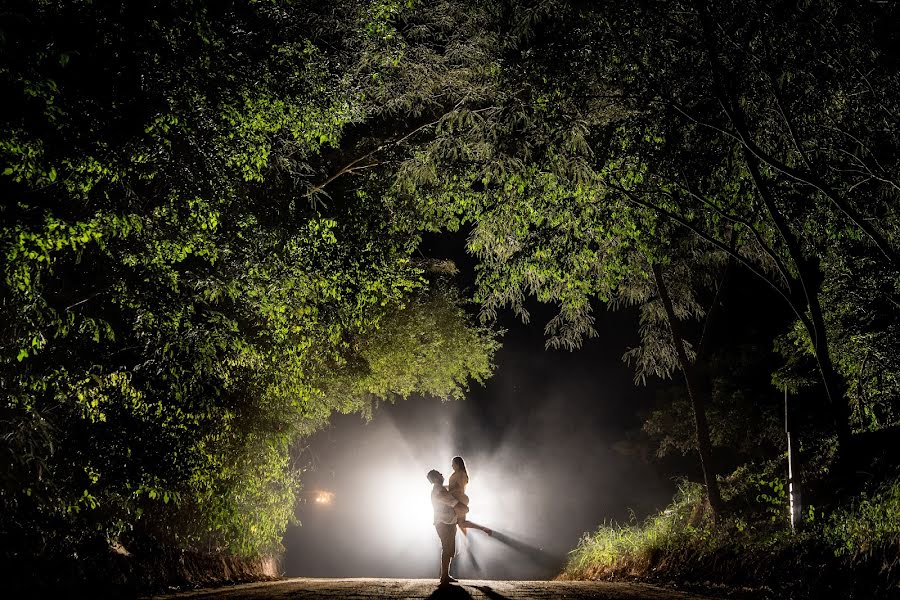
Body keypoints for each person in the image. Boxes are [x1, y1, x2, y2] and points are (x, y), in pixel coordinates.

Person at [427, 469, 459, 585]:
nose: (442, 475)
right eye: (439, 474)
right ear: (435, 478)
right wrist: (460, 506)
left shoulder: (438, 488)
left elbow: (447, 490)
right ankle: (444, 576)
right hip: (444, 522)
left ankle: (445, 575)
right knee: (447, 548)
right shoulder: (438, 490)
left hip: (446, 522)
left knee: (448, 548)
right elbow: (450, 500)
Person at [448, 456, 492, 536]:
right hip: (456, 499)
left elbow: (459, 488)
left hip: (459, 499)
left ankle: (482, 529)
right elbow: (453, 486)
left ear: (457, 464)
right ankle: (470, 538)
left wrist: (449, 491)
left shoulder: (461, 474)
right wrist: (445, 488)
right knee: (460, 523)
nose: (452, 465)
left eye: (453, 464)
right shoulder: (457, 473)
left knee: (460, 523)